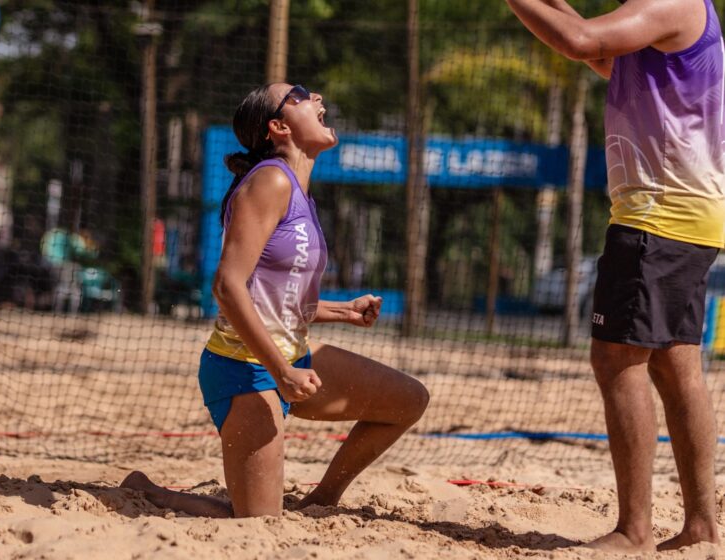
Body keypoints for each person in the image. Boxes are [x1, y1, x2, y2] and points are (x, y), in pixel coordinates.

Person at [121, 83, 430, 518]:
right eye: (302, 94)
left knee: (408, 399)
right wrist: (281, 371)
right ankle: (149, 491)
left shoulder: (301, 193)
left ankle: (321, 500)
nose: (319, 98)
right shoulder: (269, 181)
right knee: (258, 524)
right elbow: (227, 286)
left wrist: (344, 311)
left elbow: (276, 299)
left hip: (291, 360)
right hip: (246, 370)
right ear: (279, 126)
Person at [507, 0, 723, 553]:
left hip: (659, 215)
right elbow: (602, 56)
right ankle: (700, 526)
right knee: (677, 366)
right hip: (689, 214)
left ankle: (634, 531)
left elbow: (580, 40)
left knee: (615, 357)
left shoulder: (667, 0)